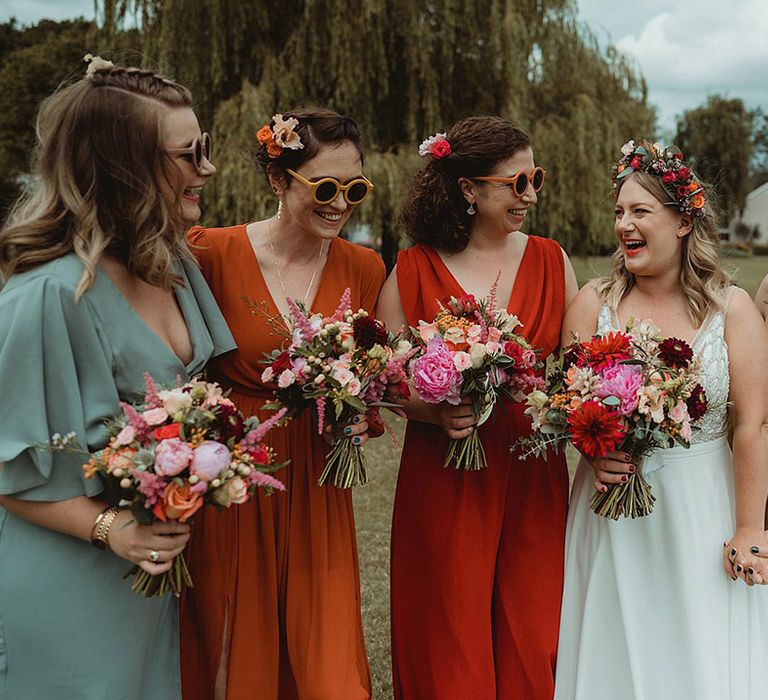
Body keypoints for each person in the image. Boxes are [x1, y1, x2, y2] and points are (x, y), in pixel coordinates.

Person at [0, 57, 234, 699]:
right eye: (190, 154)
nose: (206, 169)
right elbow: (6, 471)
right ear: (125, 165)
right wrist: (117, 530)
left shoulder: (174, 266)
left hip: (151, 579)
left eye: (204, 148)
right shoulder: (46, 297)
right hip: (67, 586)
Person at [179, 108, 385, 700]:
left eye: (354, 189)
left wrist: (355, 400)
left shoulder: (364, 267)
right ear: (278, 180)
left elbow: (375, 379)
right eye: (324, 187)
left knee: (325, 656)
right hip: (234, 473)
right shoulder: (209, 252)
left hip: (319, 477)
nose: (339, 203)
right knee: (232, 639)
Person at [555, 140, 768, 699]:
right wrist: (594, 450)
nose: (625, 224)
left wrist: (749, 528)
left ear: (681, 222)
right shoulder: (591, 303)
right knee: (615, 650)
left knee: (697, 650)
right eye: (619, 212)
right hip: (610, 509)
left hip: (703, 508)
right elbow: (566, 403)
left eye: (641, 211)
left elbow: (751, 425)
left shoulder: (732, 309)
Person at [377, 116, 578, 699]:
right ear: (468, 188)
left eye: (535, 178)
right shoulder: (411, 269)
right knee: (449, 635)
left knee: (532, 632)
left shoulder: (550, 260)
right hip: (445, 474)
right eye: (516, 183)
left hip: (531, 470)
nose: (531, 195)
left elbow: (572, 369)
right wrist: (431, 410)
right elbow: (386, 381)